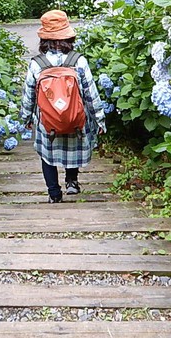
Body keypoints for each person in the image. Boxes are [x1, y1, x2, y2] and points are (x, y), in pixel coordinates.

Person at [20, 10, 106, 203]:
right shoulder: (78, 61)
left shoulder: (37, 64)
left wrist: (26, 118)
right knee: (72, 145)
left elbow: (29, 95)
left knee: (47, 155)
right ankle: (72, 182)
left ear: (44, 39)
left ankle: (54, 193)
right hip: (75, 116)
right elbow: (91, 93)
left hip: (47, 121)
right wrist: (99, 118)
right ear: (69, 36)